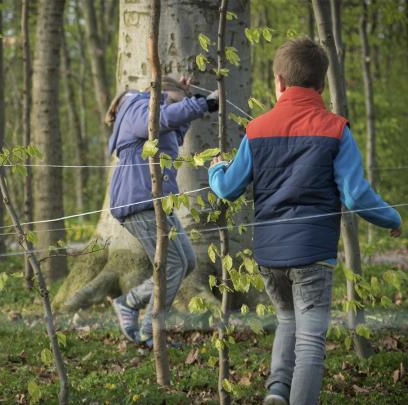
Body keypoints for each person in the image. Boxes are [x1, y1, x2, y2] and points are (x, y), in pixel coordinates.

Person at [207, 38, 402, 405]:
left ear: (278, 81)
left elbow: (228, 189)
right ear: (323, 84)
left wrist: (215, 169)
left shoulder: (258, 128)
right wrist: (391, 217)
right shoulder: (335, 128)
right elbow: (356, 195)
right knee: (311, 339)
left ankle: (277, 392)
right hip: (313, 253)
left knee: (286, 320)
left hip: (269, 254)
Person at [108, 76, 218, 347]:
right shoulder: (137, 103)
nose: (188, 98)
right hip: (140, 200)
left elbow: (172, 127)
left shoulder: (160, 112)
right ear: (164, 93)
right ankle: (150, 333)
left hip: (158, 202)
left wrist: (190, 103)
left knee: (186, 262)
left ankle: (129, 302)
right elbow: (158, 120)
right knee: (173, 265)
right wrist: (204, 104)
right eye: (181, 94)